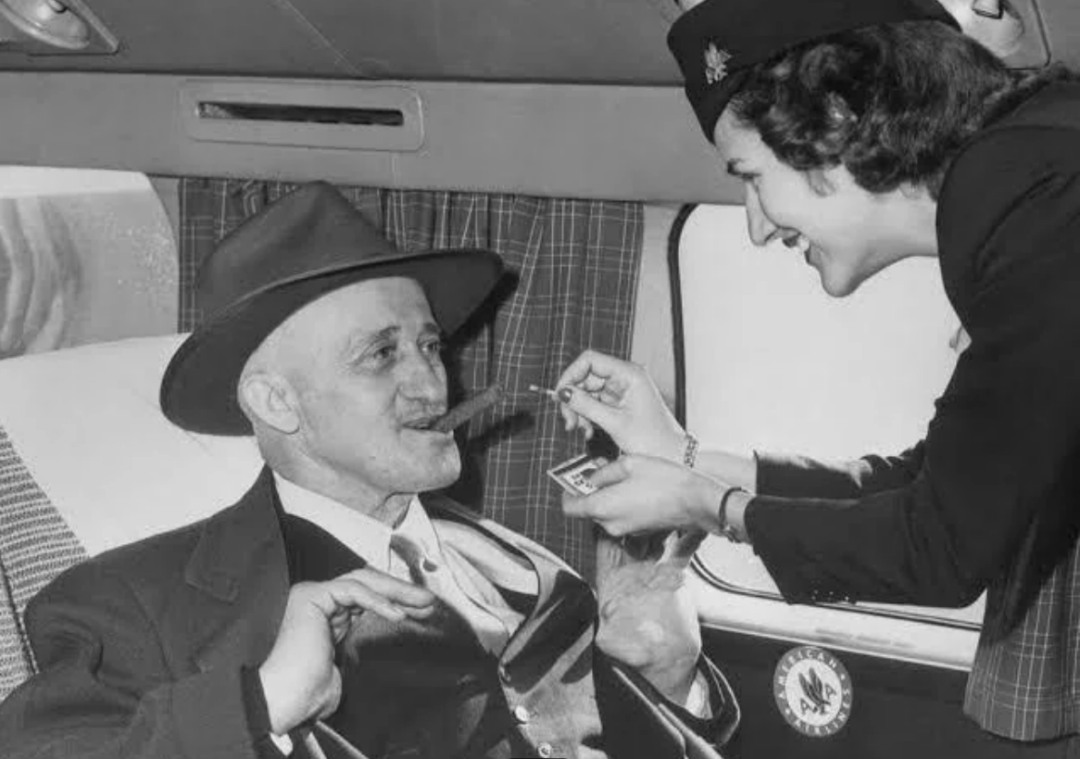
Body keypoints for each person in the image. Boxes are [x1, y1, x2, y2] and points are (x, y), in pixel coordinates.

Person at [0, 182, 739, 759]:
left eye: (429, 345)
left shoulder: (530, 569)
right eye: (381, 355)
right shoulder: (128, 605)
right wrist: (259, 706)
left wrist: (667, 671)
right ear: (277, 401)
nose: (432, 381)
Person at [553, 0, 1080, 752]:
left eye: (751, 176)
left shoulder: (1037, 202)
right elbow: (930, 486)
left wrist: (705, 505)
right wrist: (686, 459)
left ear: (835, 117)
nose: (755, 224)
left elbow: (939, 548)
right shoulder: (1031, 172)